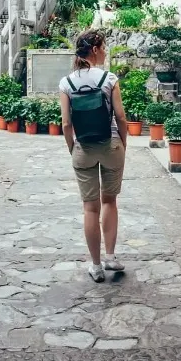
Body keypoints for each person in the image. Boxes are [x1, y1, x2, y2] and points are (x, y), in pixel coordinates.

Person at [58, 29, 129, 282]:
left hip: (83, 149)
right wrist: (123, 142)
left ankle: (96, 266)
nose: (106, 51)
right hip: (111, 146)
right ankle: (110, 257)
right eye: (105, 46)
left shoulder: (66, 83)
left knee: (90, 208)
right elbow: (120, 117)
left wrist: (72, 148)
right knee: (109, 202)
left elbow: (66, 124)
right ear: (96, 49)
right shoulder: (109, 79)